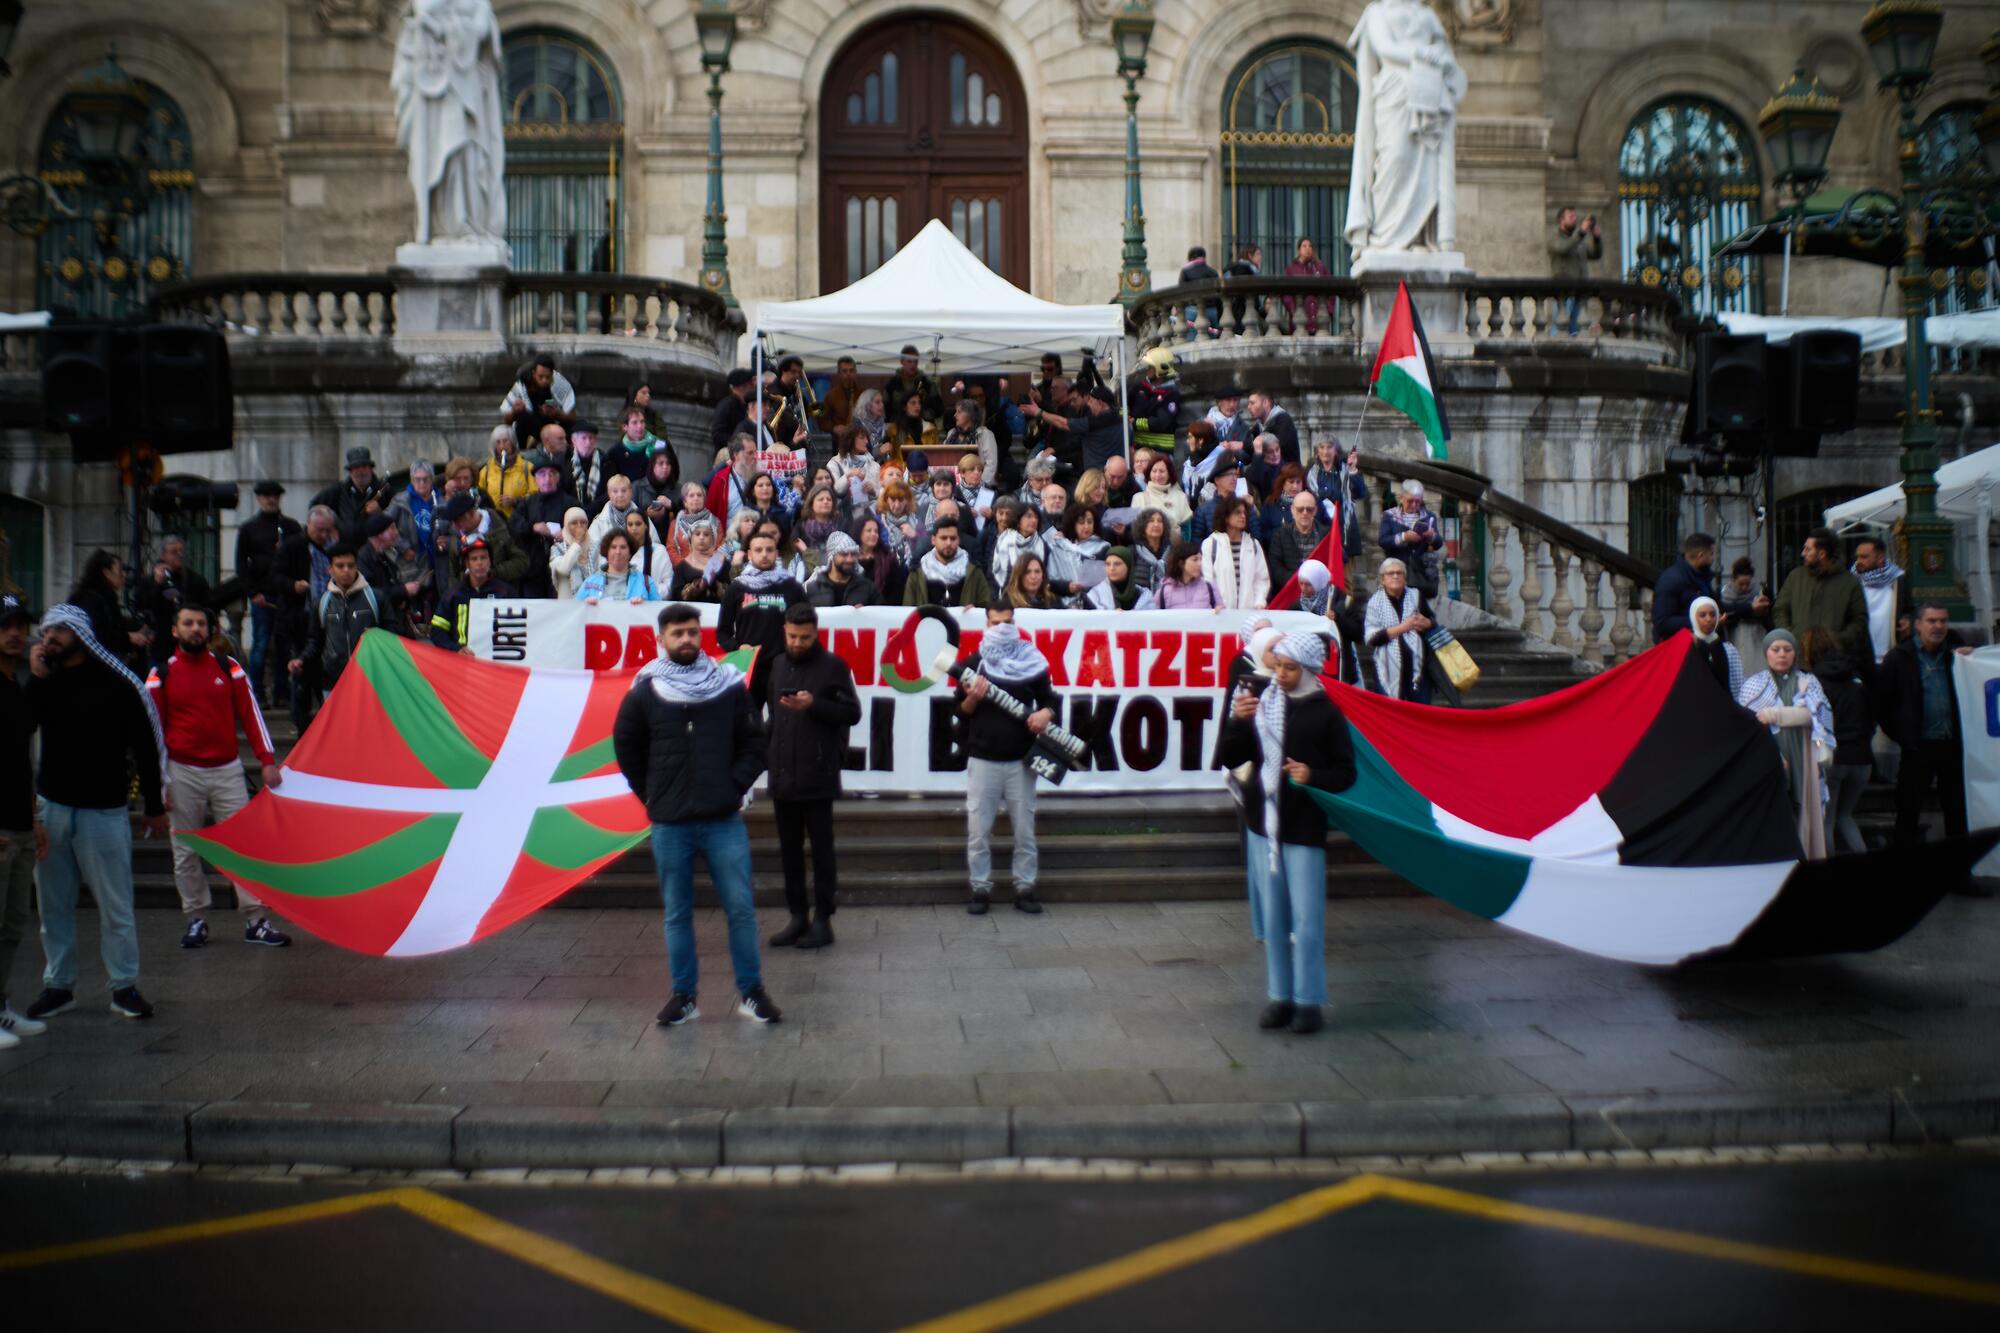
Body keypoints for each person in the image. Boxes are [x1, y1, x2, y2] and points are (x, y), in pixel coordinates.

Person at [613, 603, 781, 1028]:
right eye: (677, 634)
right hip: (670, 822)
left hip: (722, 818)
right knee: (676, 913)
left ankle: (752, 993)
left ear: (700, 634)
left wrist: (733, 786)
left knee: (741, 908)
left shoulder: (727, 685)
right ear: (661, 640)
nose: (686, 639)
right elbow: (626, 747)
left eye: (691, 632)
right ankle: (684, 996)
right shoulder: (645, 691)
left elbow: (755, 744)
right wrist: (651, 794)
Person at [20, 604, 167, 1023]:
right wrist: (37, 679)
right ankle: (58, 985)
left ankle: (124, 986)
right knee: (53, 906)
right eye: (46, 631)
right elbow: (22, 726)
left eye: (59, 631)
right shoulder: (46, 683)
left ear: (80, 634)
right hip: (54, 808)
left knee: (115, 906)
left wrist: (154, 806)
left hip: (104, 811)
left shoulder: (117, 684)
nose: (49, 637)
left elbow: (144, 746)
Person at [1217, 629, 1357, 1035]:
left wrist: (1312, 774)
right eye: (1277, 666)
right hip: (1264, 823)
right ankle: (1280, 996)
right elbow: (1233, 755)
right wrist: (1238, 722)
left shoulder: (1326, 712)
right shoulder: (1264, 703)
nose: (1280, 674)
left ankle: (1309, 1000)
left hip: (1304, 827)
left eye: (1289, 668)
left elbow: (1345, 773)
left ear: (1310, 669)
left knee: (1308, 920)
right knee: (1274, 920)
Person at [146, 602, 290, 951]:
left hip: (227, 769)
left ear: (210, 631)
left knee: (245, 845)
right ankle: (196, 919)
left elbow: (252, 715)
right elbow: (152, 732)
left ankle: (256, 919)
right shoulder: (160, 675)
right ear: (175, 631)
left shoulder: (230, 668)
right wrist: (159, 782)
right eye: (188, 623)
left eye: (201, 623)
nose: (195, 629)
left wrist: (267, 760)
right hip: (182, 772)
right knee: (185, 849)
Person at [765, 604, 862, 951]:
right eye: (792, 636)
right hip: (782, 774)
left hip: (817, 774)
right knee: (789, 852)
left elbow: (852, 713)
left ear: (816, 633)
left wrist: (815, 705)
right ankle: (797, 916)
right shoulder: (776, 663)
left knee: (821, 851)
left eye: (804, 637)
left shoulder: (833, 666)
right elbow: (773, 716)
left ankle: (823, 919)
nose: (797, 642)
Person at [957, 605, 1059, 916]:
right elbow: (959, 712)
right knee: (978, 830)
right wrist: (974, 697)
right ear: (985, 625)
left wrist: (1046, 713)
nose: (1002, 627)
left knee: (1024, 830)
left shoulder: (1032, 660)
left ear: (1016, 623)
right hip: (983, 759)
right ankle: (980, 888)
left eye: (1008, 622)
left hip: (1021, 761)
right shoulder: (973, 664)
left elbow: (1050, 698)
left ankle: (1024, 887)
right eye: (996, 622)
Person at [1872, 601, 1974, 855]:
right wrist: (1903, 735)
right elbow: (1881, 703)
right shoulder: (1900, 657)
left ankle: (1960, 874)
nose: (1938, 626)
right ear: (1918, 624)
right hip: (1918, 748)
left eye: (1942, 621)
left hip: (1952, 746)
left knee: (1957, 812)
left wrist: (1972, 662)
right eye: (1931, 621)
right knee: (1908, 812)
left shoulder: (1957, 655)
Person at [1738, 628, 1835, 861]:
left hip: (1802, 757)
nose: (1782, 654)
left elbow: (1817, 716)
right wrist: (1792, 714)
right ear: (1767, 653)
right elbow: (1747, 723)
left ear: (1795, 653)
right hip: (1769, 759)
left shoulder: (1808, 681)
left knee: (1802, 810)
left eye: (1787, 649)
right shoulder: (1753, 685)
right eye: (1776, 649)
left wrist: (1774, 714)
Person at [0, 596, 48, 1046]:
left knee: (13, 923)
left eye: (20, 625)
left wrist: (32, 817)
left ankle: (1, 1007)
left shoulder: (14, 686)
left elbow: (19, 760)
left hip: (16, 822)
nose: (15, 633)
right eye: (6, 626)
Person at [292, 541, 398, 690]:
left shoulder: (376, 598)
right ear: (330, 569)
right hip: (333, 681)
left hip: (371, 678)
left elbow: (393, 633)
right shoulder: (321, 603)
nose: (346, 570)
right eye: (340, 566)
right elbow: (315, 641)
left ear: (357, 567)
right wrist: (301, 660)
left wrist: (378, 635)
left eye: (351, 565)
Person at [270, 506, 340, 730]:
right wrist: (293, 586)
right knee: (301, 673)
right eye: (318, 530)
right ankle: (301, 724)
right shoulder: (292, 546)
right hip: (299, 618)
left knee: (325, 673)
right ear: (308, 525)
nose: (322, 535)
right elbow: (275, 576)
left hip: (328, 618)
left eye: (327, 530)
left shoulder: (334, 546)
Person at [718, 528, 807, 704]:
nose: (764, 554)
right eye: (758, 550)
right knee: (749, 725)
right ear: (749, 554)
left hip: (784, 667)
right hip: (749, 666)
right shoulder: (737, 588)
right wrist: (737, 647)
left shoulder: (792, 587)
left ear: (777, 553)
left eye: (769, 549)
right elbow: (723, 632)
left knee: (782, 723)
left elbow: (808, 626)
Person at [1807, 626, 1873, 856]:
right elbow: (1871, 718)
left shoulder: (1815, 682)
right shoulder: (1857, 678)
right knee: (1847, 816)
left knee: (1828, 819)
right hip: (1863, 757)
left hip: (1835, 757)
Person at [235, 480, 300, 705]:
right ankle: (258, 693)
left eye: (274, 495)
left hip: (286, 595)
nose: (271, 499)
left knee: (284, 645)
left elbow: (301, 559)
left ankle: (281, 693)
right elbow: (241, 565)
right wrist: (253, 593)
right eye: (266, 495)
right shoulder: (248, 528)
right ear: (259, 499)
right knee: (261, 644)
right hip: (262, 595)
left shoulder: (291, 527)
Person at [1773, 527, 1870, 667]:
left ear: (1822, 554)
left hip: (1835, 664)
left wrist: (1836, 640)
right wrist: (1791, 637)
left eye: (1808, 549)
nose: (1802, 553)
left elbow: (1859, 621)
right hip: (1798, 662)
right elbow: (1780, 610)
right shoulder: (1795, 577)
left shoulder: (1850, 582)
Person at [133, 535, 215, 665]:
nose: (180, 555)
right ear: (163, 555)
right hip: (163, 644)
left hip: (192, 644)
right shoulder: (150, 581)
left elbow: (209, 607)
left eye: (181, 551)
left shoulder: (195, 580)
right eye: (174, 552)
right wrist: (157, 584)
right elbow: (141, 605)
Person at [1365, 557, 1434, 701]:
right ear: (1382, 579)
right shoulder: (1374, 603)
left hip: (1418, 667)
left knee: (1420, 714)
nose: (1395, 576)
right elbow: (1372, 638)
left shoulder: (1415, 596)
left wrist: (1426, 622)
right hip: (1387, 667)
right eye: (1390, 573)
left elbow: (1432, 621)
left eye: (1399, 573)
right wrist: (1404, 627)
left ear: (1405, 577)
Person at [430, 536, 513, 654]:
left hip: (495, 661)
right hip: (462, 661)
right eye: (474, 559)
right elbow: (437, 631)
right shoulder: (453, 594)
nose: (480, 563)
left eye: (483, 558)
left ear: (490, 561)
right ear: (467, 564)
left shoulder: (504, 591)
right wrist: (456, 649)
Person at [388, 461, 445, 630]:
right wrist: (402, 546)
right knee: (414, 601)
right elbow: (386, 525)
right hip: (412, 560)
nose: (421, 484)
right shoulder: (401, 500)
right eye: (417, 479)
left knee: (437, 600)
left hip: (437, 559)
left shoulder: (439, 499)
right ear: (412, 480)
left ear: (432, 479)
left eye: (425, 479)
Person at [511, 450, 572, 597]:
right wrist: (532, 528)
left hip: (561, 568)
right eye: (542, 474)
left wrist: (566, 533)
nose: (547, 478)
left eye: (552, 474)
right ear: (535, 479)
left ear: (558, 478)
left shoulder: (569, 502)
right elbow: (514, 525)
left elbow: (581, 525)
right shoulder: (527, 503)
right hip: (532, 568)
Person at [440, 491, 530, 587]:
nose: (456, 526)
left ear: (471, 513)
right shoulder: (456, 536)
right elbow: (453, 574)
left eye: (459, 520)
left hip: (500, 594)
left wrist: (492, 573)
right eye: (453, 522)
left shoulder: (502, 528)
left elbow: (522, 562)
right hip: (467, 596)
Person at [903, 517, 993, 608]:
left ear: (958, 540)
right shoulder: (917, 573)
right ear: (933, 540)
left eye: (953, 538)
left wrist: (975, 608)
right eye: (943, 538)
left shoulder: (974, 571)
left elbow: (987, 606)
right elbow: (907, 610)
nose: (948, 543)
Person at [1201, 495, 1271, 610]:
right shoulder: (1210, 544)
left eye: (1244, 513)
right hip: (1219, 614)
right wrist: (1215, 604)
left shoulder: (1253, 545)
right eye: (1237, 512)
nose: (1243, 516)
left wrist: (1259, 602)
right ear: (1226, 517)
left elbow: (1261, 578)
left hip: (1248, 614)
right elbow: (1207, 579)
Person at [314, 446, 392, 544]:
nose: (360, 472)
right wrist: (331, 528)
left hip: (375, 550)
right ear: (350, 471)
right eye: (356, 468)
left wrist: (381, 511)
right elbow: (315, 508)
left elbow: (398, 518)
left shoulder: (384, 490)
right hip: (346, 548)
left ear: (371, 469)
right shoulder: (338, 490)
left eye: (364, 466)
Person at [1379, 479, 1443, 597]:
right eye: (1410, 501)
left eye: (1417, 502)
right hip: (1397, 570)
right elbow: (1383, 541)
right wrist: (1403, 537)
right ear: (1401, 498)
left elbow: (1438, 543)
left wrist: (1431, 537)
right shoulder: (1389, 516)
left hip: (1420, 571)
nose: (1414, 505)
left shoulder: (1429, 517)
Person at [501, 352, 577, 448]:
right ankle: (522, 452)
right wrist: (514, 412)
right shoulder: (522, 385)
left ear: (552, 374)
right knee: (522, 419)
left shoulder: (560, 385)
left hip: (554, 425)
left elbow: (573, 417)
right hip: (531, 424)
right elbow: (506, 420)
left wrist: (557, 414)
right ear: (533, 373)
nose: (544, 380)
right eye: (540, 377)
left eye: (548, 377)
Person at [1548, 207, 1604, 336]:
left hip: (1580, 293)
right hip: (1564, 293)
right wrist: (1581, 233)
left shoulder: (1578, 241)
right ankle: (1554, 353)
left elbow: (1596, 254)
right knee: (1560, 329)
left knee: (1575, 331)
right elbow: (1564, 248)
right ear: (1561, 220)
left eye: (1575, 217)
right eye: (1571, 217)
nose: (1575, 220)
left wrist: (1597, 238)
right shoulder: (1554, 239)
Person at [1653, 532, 1719, 641]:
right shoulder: (1671, 579)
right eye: (1711, 554)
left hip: (1699, 643)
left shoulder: (1702, 577)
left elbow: (1717, 605)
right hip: (1678, 647)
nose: (1713, 558)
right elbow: (1662, 622)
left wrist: (1749, 608)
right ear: (1701, 555)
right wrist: (1699, 621)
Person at [1851, 535, 1906, 665]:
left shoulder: (1898, 579)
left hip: (1889, 654)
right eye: (1857, 557)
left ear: (1880, 558)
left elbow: (1908, 609)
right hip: (1860, 655)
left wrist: (1907, 618)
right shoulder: (1851, 580)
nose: (1858, 561)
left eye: (1864, 557)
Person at [1267, 486, 1329, 593]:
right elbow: (1275, 568)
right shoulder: (1280, 535)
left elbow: (1334, 565)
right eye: (1300, 509)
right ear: (1292, 510)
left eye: (1309, 509)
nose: (1304, 513)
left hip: (1321, 594)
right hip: (1290, 595)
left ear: (1315, 511)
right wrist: (1300, 581)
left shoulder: (1327, 535)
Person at [1718, 555, 1773, 666]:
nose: (1744, 587)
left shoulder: (1756, 593)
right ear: (1733, 580)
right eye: (1741, 584)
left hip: (1755, 639)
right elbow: (1725, 613)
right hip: (1733, 638)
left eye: (1747, 584)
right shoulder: (1725, 594)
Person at [578, 530, 660, 605]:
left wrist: (645, 607)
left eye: (623, 547)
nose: (618, 552)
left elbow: (659, 613)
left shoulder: (647, 583)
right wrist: (586, 606)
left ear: (630, 552)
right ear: (607, 551)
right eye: (613, 547)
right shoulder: (589, 583)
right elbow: (576, 611)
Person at [1687, 596, 1743, 701]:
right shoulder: (1687, 649)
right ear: (1694, 618)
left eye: (1713, 615)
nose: (1708, 619)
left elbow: (1737, 686)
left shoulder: (1729, 650)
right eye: (1702, 615)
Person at [804, 530, 878, 607]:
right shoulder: (812, 590)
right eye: (844, 554)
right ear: (832, 557)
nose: (849, 559)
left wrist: (865, 612)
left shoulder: (868, 588)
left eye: (853, 554)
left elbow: (880, 614)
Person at [477, 424, 533, 518]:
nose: (502, 446)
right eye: (498, 442)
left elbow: (535, 496)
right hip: (495, 521)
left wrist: (516, 500)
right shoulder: (486, 471)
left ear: (512, 442)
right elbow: (479, 495)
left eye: (505, 441)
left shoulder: (527, 467)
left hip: (521, 519)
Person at [669, 515, 729, 603]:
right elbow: (676, 596)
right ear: (691, 539)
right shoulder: (681, 567)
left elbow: (731, 593)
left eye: (706, 534)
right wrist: (700, 585)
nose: (701, 537)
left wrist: (716, 585)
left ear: (713, 539)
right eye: (697, 534)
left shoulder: (722, 562)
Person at [1281, 237, 1331, 335]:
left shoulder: (1320, 268)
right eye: (1304, 246)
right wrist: (1292, 309)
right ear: (1299, 250)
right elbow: (1285, 293)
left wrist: (1328, 310)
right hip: (1299, 321)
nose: (1307, 248)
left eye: (1310, 246)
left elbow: (1331, 290)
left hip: (1319, 321)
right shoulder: (1291, 269)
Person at [882, 344, 944, 423]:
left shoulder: (926, 383)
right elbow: (886, 410)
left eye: (915, 361)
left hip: (922, 427)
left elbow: (939, 408)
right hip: (899, 427)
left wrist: (922, 415)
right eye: (909, 361)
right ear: (902, 362)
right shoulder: (892, 384)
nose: (913, 365)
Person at [1083, 547, 1154, 611]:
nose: (1112, 568)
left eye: (1117, 564)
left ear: (1129, 567)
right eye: (1108, 564)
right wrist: (1111, 616)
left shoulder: (1144, 595)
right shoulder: (1095, 595)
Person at [587, 473, 643, 553]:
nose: (620, 495)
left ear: (631, 492)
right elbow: (591, 551)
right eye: (615, 491)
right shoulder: (599, 522)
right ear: (609, 494)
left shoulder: (642, 519)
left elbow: (653, 546)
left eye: (624, 490)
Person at [567, 420, 614, 515]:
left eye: (591, 438)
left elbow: (610, 489)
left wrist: (591, 508)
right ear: (574, 441)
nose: (588, 443)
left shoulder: (605, 461)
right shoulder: (566, 460)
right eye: (584, 438)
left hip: (599, 513)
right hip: (571, 512)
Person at [548, 507, 595, 599]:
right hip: (569, 606)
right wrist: (577, 543)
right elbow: (562, 570)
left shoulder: (596, 546)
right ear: (566, 525)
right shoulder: (557, 548)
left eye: (583, 522)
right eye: (574, 523)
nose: (579, 526)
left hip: (594, 603)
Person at [710, 368, 759, 453]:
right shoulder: (726, 405)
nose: (752, 387)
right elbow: (717, 434)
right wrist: (739, 444)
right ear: (741, 386)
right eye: (750, 384)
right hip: (730, 455)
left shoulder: (744, 405)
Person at [1246, 390, 1299, 466]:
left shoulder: (1283, 420)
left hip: (1287, 474)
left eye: (1252, 403)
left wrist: (1242, 445)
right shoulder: (1258, 426)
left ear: (1265, 403)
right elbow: (1250, 455)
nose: (1248, 407)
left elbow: (1275, 447)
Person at [1129, 508, 1176, 591]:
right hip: (1142, 600)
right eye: (1151, 521)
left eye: (1160, 521)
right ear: (1142, 526)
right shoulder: (1133, 551)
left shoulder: (1173, 551)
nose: (1156, 524)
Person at [820, 356, 864, 436]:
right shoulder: (831, 395)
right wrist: (834, 428)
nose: (848, 374)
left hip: (859, 437)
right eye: (844, 371)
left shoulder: (863, 394)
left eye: (851, 371)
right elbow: (822, 421)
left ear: (856, 372)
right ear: (839, 373)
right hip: (839, 440)